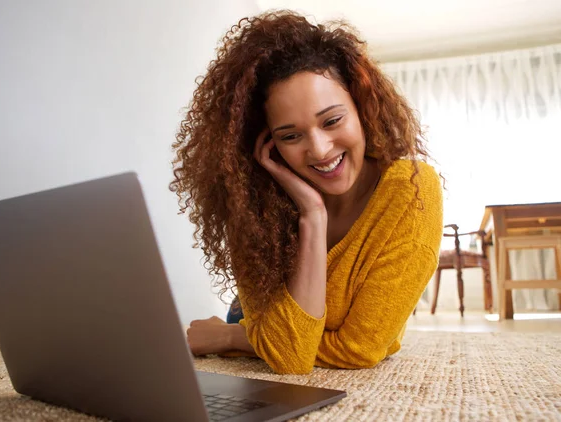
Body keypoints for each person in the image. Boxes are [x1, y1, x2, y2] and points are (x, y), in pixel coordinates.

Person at [170, 10, 443, 375]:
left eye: (332, 121)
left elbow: (358, 349)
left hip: (246, 327)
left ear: (362, 107)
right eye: (290, 135)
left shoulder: (412, 189)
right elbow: (289, 355)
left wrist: (231, 338)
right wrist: (313, 215)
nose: (319, 150)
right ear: (266, 142)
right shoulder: (252, 202)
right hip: (258, 311)